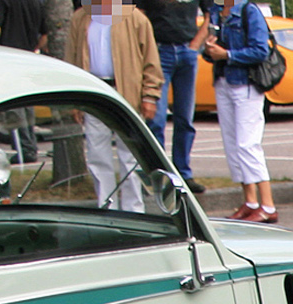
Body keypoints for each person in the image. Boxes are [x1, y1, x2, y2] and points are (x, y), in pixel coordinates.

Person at [67, 0, 160, 208]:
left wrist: (150, 96)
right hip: (93, 92)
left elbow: (151, 61)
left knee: (130, 156)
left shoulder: (135, 18)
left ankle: (134, 211)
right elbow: (72, 58)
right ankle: (107, 207)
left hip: (126, 93)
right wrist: (75, 99)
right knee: (97, 155)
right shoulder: (81, 18)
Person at [201, 0, 276, 220]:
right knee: (232, 143)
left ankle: (268, 205)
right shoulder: (216, 11)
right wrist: (210, 50)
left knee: (248, 143)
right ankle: (250, 200)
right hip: (224, 81)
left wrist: (227, 55)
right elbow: (211, 52)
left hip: (246, 83)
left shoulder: (248, 10)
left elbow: (260, 50)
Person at [136, 0, 204, 193]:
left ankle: (183, 173)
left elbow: (210, 14)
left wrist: (195, 45)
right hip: (159, 50)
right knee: (156, 119)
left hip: (187, 50)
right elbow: (140, 14)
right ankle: (157, 174)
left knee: (185, 118)